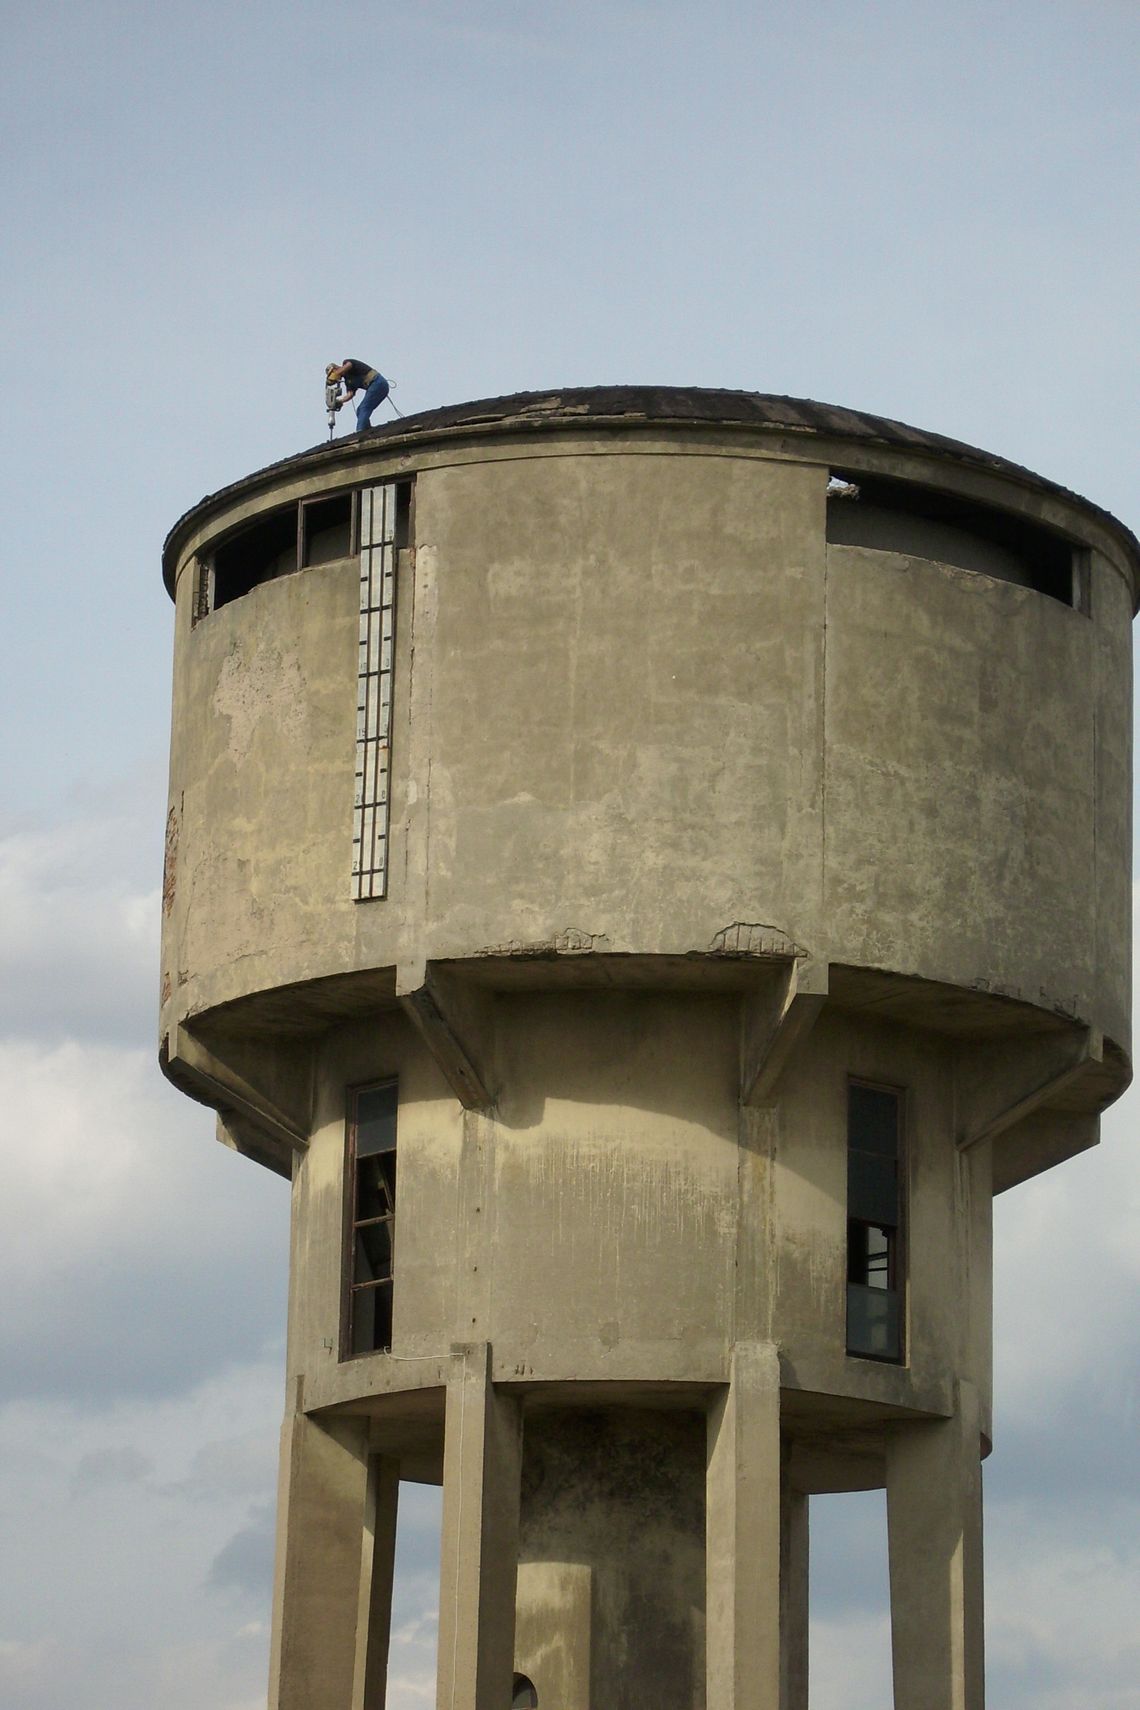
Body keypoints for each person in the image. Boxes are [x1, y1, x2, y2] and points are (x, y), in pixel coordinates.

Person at [326, 360, 390, 431]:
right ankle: (368, 430)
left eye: (332, 373)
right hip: (374, 386)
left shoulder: (347, 363)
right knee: (359, 410)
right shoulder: (348, 381)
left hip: (377, 382)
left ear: (335, 369)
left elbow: (349, 365)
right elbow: (350, 395)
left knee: (363, 408)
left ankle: (360, 432)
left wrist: (336, 373)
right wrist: (339, 401)